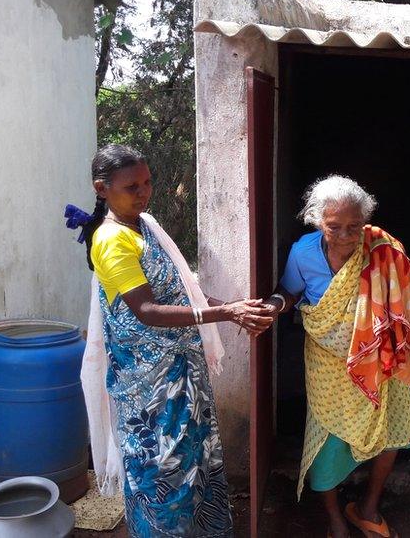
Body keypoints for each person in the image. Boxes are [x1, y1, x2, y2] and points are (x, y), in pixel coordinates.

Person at [64, 144, 272, 537]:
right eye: (132, 186)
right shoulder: (111, 240)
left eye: (147, 182)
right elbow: (147, 310)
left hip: (183, 381)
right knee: (160, 483)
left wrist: (232, 306)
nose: (143, 193)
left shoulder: (145, 226)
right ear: (102, 188)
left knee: (195, 472)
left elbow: (182, 292)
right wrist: (227, 314)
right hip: (148, 394)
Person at [260, 175, 410, 538]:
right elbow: (288, 292)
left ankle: (368, 507)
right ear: (318, 221)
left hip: (380, 359)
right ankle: (336, 519)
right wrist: (273, 306)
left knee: (390, 429)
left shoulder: (382, 249)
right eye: (334, 226)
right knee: (325, 438)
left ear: (365, 220)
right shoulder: (303, 253)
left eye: (354, 226)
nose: (344, 236)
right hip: (327, 363)